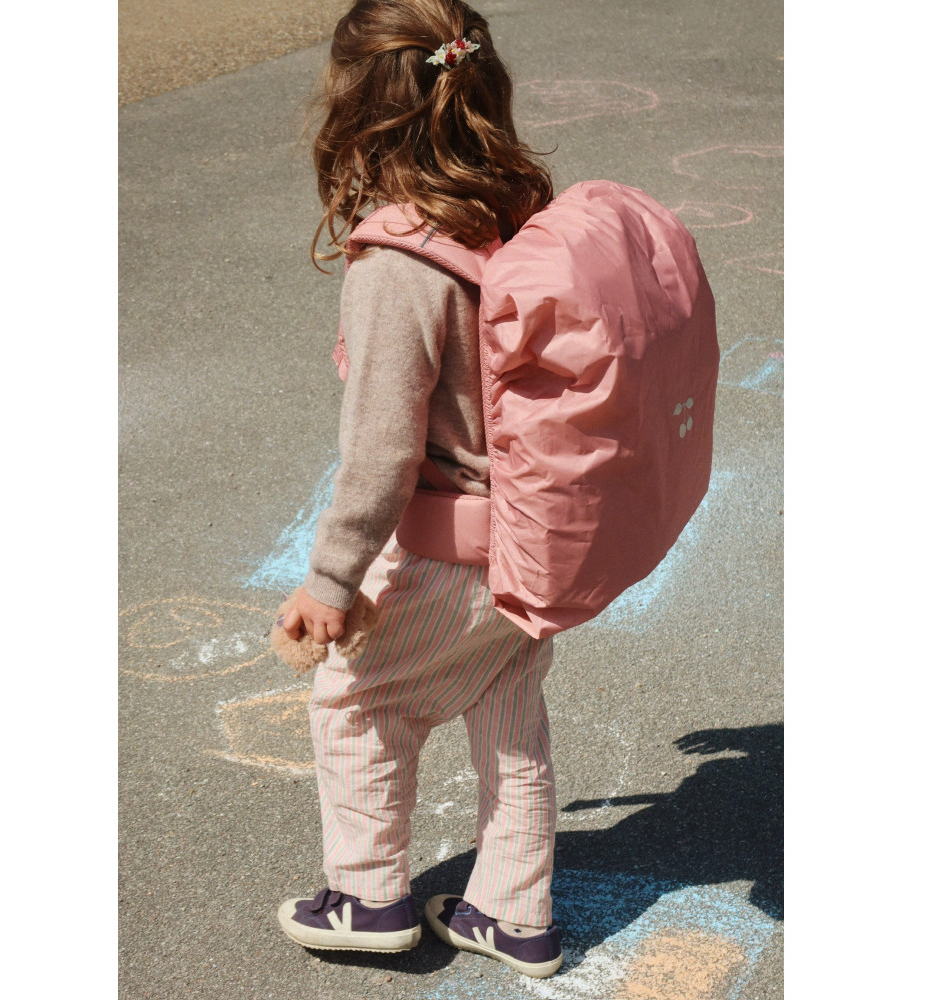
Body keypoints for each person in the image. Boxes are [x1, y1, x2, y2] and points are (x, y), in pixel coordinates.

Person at [276, 0, 563, 979]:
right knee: (507, 704)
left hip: (451, 549)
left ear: (358, 111)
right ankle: (514, 912)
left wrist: (331, 579)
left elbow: (380, 451)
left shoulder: (398, 262)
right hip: (536, 539)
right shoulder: (516, 212)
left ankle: (365, 897)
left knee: (360, 699)